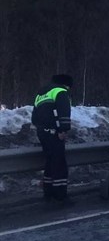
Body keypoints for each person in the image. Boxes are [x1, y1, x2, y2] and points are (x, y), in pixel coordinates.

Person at [31, 74, 73, 204]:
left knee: (50, 161)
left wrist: (42, 128)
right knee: (59, 163)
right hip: (55, 133)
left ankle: (48, 191)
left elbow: (34, 118)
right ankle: (60, 195)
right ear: (66, 84)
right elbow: (64, 112)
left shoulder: (40, 94)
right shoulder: (61, 91)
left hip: (42, 133)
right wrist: (63, 130)